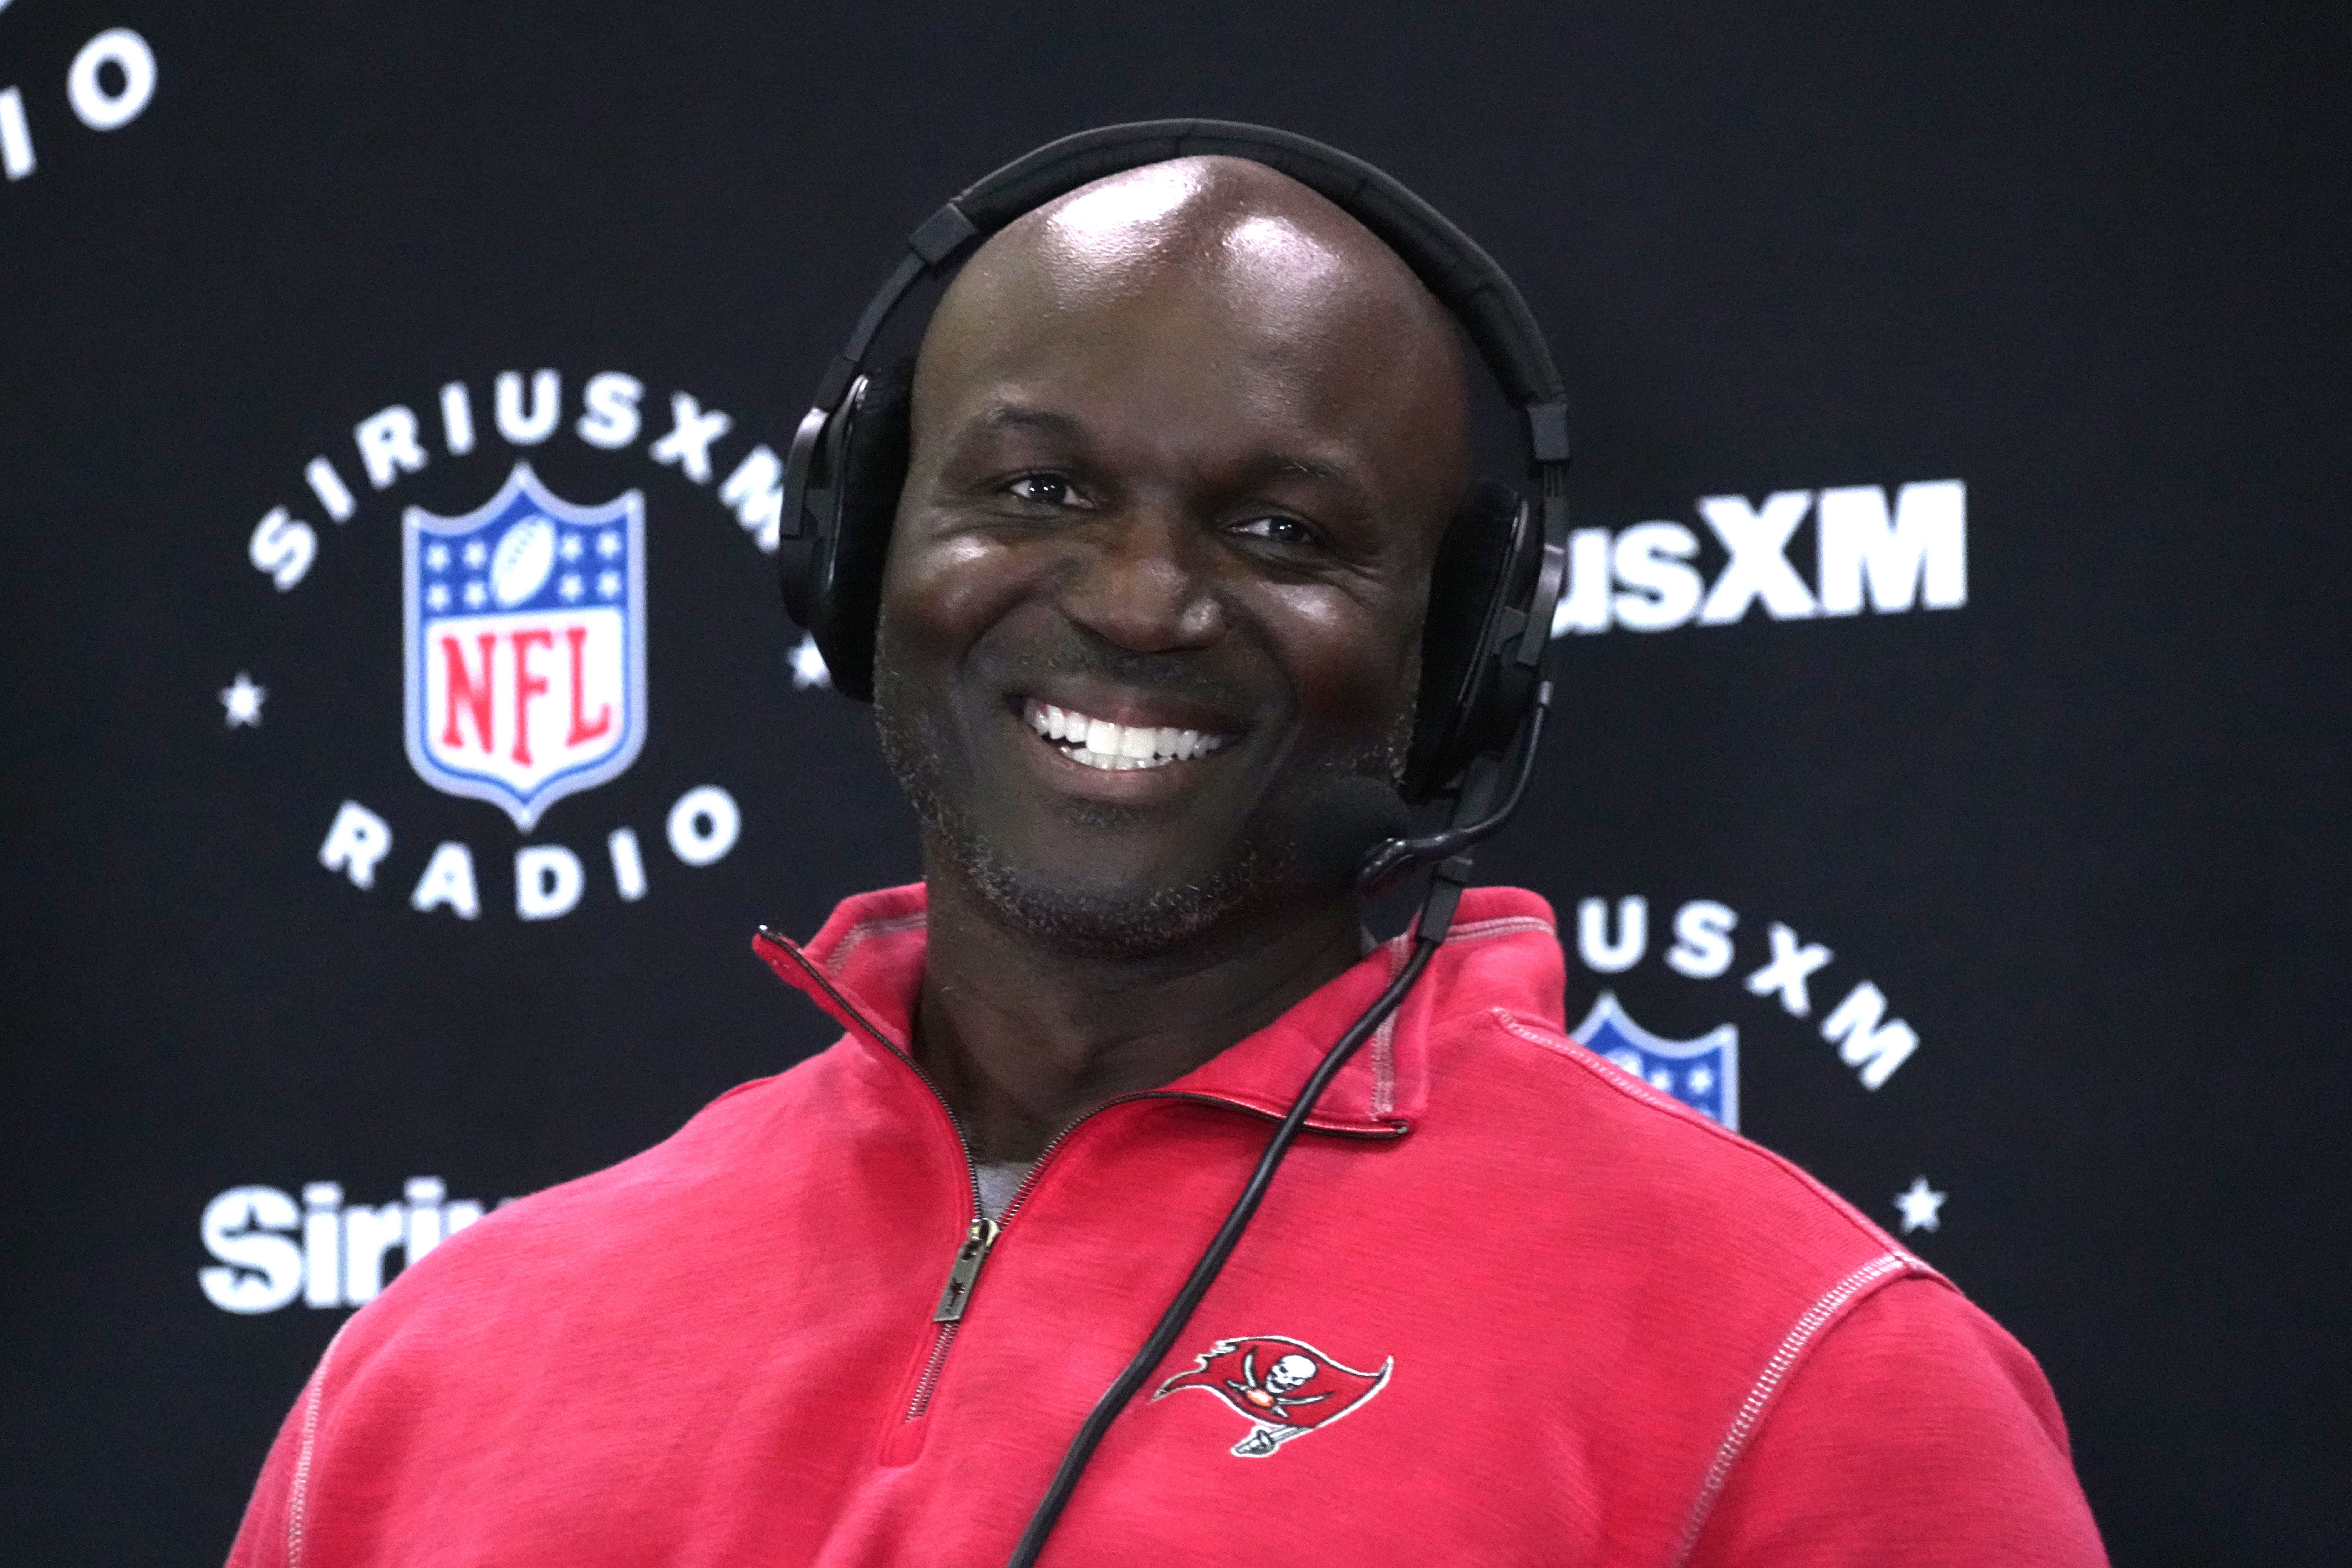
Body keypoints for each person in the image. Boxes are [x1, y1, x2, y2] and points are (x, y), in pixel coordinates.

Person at [230, 145, 2108, 1566]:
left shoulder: (1803, 1375)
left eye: (1282, 528)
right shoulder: (432, 1374)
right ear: (861, 545)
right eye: (1036, 490)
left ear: (1461, 661)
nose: (1138, 602)